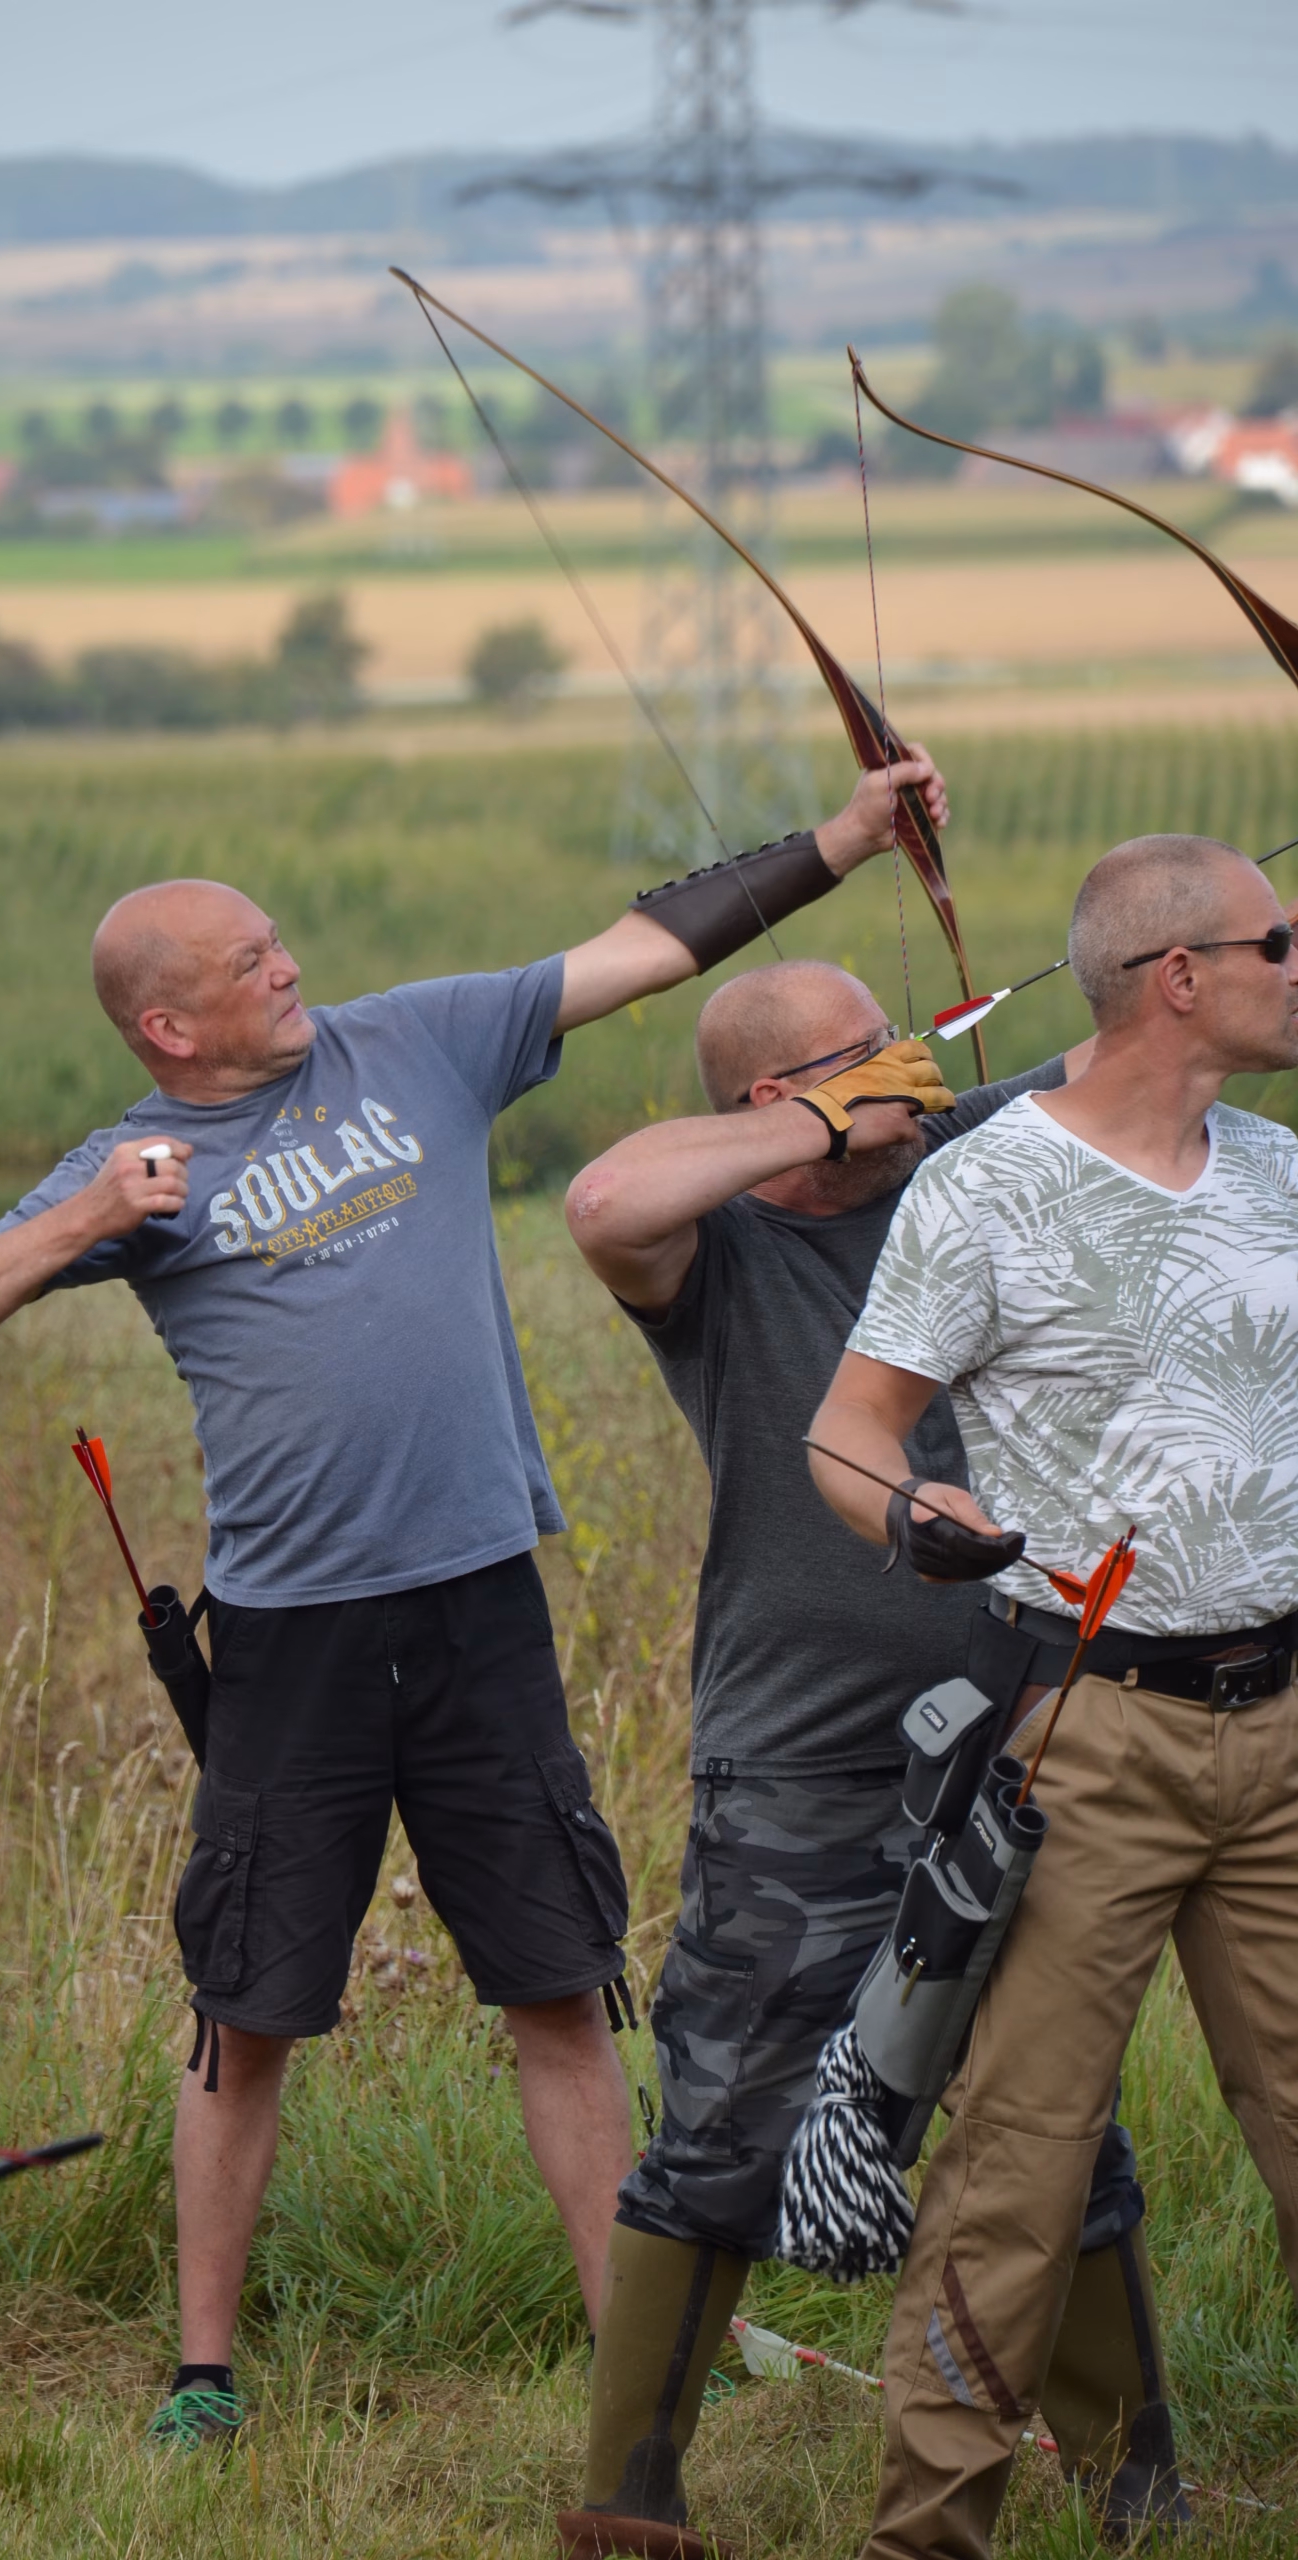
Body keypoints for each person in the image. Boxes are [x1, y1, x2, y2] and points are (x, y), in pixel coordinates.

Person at [0, 758, 942, 2453]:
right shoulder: (135, 1165)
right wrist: (86, 1214)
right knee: (249, 2011)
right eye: (250, 962)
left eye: (281, 942)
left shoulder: (422, 1041)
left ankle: (635, 2354)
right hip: (291, 1635)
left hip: (477, 1612)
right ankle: (205, 2377)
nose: (289, 967)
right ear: (167, 1027)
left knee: (557, 1986)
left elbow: (646, 951)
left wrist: (843, 840)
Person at [554, 955, 1176, 2559]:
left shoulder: (969, 1156)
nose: (912, 1061)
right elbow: (607, 1200)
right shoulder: (723, 1249)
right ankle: (631, 2496)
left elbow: (1151, 1034)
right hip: (797, 1769)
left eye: (905, 1039)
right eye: (863, 1055)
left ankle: (1138, 2485)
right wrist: (831, 1109)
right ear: (784, 1100)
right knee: (724, 2126)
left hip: (1015, 1746)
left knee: (1056, 2124)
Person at [808, 832, 1298, 2560]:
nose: (1297, 965)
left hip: (1289, 1732)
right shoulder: (986, 1187)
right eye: (1278, 941)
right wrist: (913, 1513)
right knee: (1017, 2170)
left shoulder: (1280, 1172)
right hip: (1091, 1743)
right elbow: (847, 1433)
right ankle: (928, 2535)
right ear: (1183, 978)